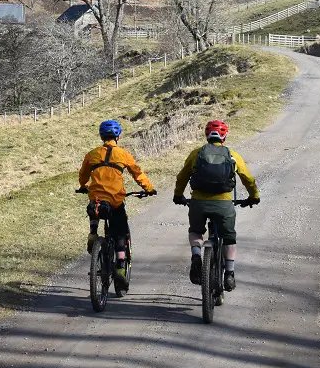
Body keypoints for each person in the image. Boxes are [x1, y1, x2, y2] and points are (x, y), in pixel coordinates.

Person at [173, 119, 260, 292]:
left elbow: (182, 177)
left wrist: (178, 196)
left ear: (207, 135)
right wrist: (254, 196)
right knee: (229, 237)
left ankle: (197, 256)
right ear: (224, 136)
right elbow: (247, 178)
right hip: (223, 204)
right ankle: (229, 273)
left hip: (198, 203)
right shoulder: (232, 154)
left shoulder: (196, 153)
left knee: (196, 231)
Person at [77, 119, 156, 289]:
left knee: (95, 208)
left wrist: (84, 186)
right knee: (120, 232)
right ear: (118, 136)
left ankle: (93, 233)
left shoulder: (92, 154)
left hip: (97, 199)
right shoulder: (123, 154)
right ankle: (120, 265)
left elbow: (83, 175)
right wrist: (149, 188)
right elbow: (138, 173)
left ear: (101, 136)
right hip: (115, 200)